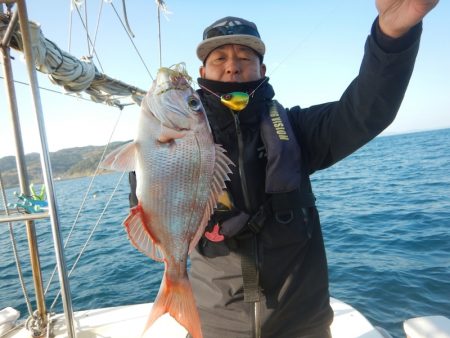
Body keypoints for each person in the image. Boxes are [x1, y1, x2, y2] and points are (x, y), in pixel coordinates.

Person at [129, 1, 439, 337]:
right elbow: (146, 200)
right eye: (219, 58)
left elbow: (366, 112)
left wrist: (392, 36)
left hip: (302, 322)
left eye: (245, 58)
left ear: (262, 71)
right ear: (202, 75)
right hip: (216, 324)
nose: (232, 66)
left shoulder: (296, 129)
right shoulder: (174, 133)